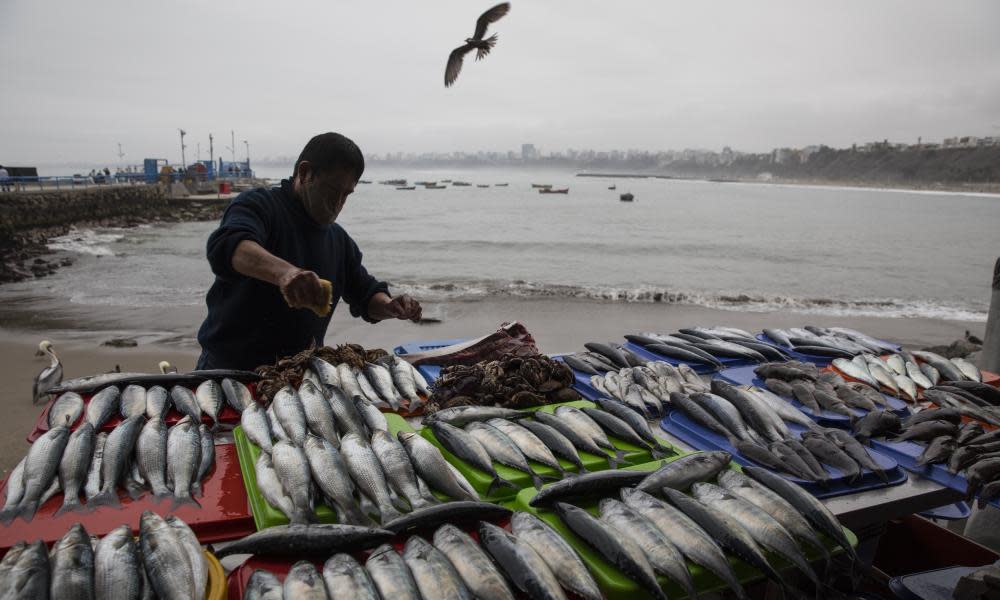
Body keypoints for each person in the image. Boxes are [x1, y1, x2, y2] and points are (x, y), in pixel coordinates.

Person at [195, 132, 422, 370]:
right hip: (229, 369)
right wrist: (286, 274)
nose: (337, 204)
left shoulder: (339, 241)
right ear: (305, 173)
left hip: (298, 375)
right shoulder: (259, 205)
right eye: (332, 191)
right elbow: (229, 246)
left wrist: (389, 306)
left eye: (346, 195)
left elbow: (365, 293)